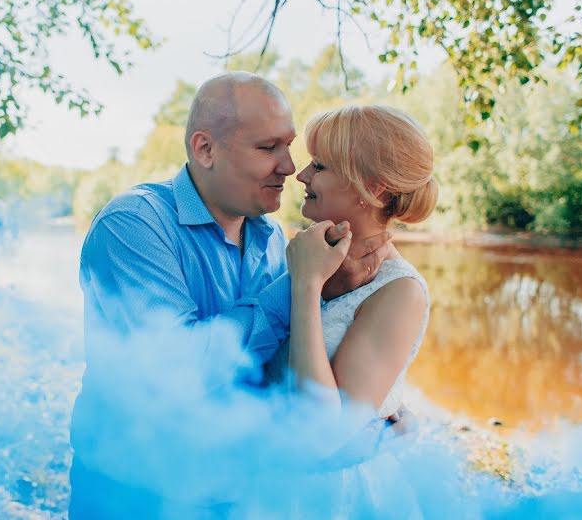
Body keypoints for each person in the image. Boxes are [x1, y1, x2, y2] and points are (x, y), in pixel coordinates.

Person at [69, 73, 394, 518]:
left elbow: (276, 373)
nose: (289, 167)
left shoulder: (273, 238)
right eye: (267, 148)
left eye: (288, 145)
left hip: (235, 495)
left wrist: (358, 426)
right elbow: (178, 369)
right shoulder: (132, 225)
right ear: (205, 149)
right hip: (135, 494)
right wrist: (299, 285)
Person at [284, 104, 438, 514]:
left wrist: (305, 285)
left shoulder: (400, 292)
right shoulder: (308, 252)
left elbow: (323, 433)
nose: (301, 175)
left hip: (333, 498)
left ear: (375, 190)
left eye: (319, 166)